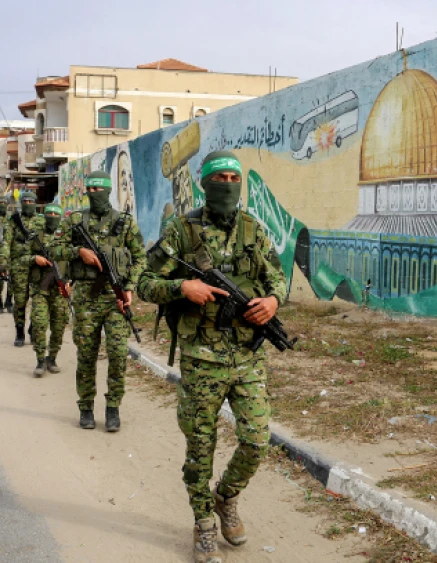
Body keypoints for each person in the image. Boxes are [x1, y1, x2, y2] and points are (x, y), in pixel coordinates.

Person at [138, 151, 286, 562]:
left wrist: (273, 301)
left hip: (248, 358)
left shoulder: (253, 230)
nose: (226, 184)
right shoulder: (181, 231)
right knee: (200, 446)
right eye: (218, 177)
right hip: (201, 358)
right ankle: (203, 523)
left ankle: (226, 497)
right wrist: (182, 288)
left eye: (232, 177)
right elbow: (144, 281)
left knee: (257, 441)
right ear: (205, 183)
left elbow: (278, 279)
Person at [53, 171, 144, 432]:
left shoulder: (124, 223)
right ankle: (86, 408)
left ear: (107, 191)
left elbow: (140, 258)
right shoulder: (74, 221)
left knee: (117, 355)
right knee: (86, 355)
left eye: (98, 189)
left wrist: (130, 287)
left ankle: (113, 407)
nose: (93, 194)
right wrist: (77, 252)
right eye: (89, 190)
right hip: (85, 298)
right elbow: (55, 249)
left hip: (115, 300)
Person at [25, 204, 70, 377]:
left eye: (55, 214)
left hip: (59, 290)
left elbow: (73, 261)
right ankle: (40, 360)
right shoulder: (36, 236)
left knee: (59, 326)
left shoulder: (67, 237)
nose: (52, 216)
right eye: (49, 213)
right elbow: (21, 257)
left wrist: (70, 282)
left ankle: (52, 358)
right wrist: (34, 258)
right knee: (39, 324)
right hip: (40, 289)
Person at [2, 191, 41, 346]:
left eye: (31, 202)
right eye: (25, 201)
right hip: (19, 266)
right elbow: (6, 242)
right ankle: (19, 333)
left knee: (38, 300)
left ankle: (33, 328)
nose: (28, 204)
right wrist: (4, 262)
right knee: (20, 301)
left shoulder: (42, 221)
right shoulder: (13, 221)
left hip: (38, 267)